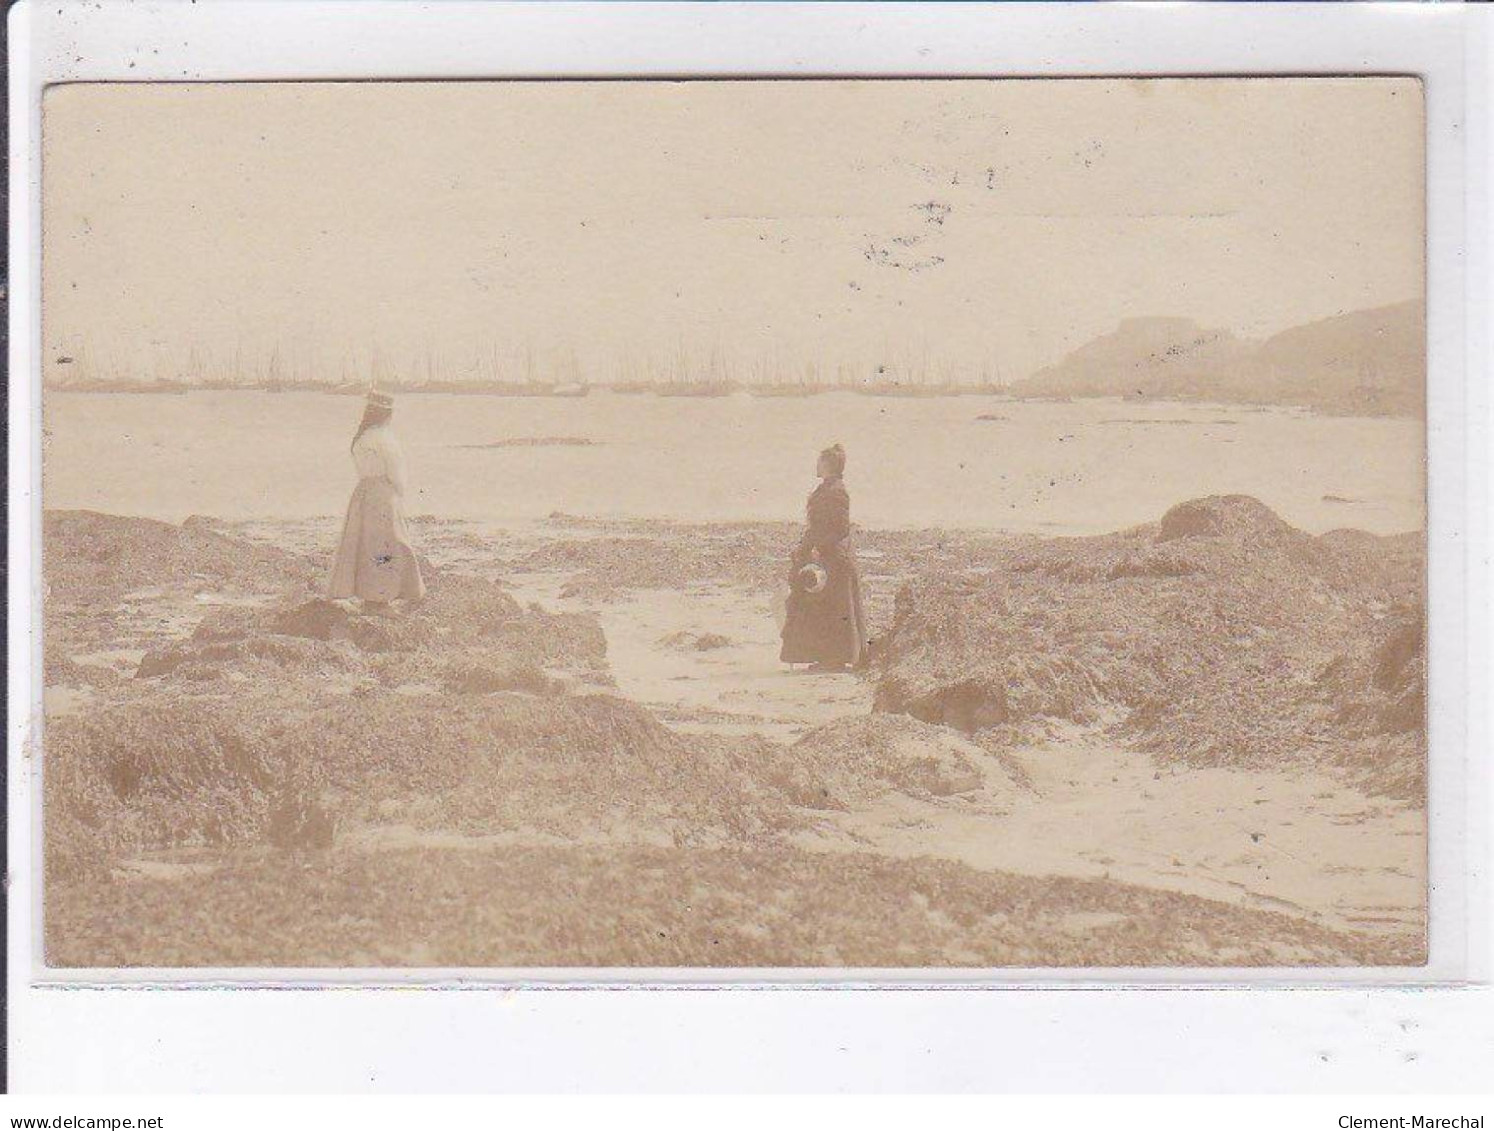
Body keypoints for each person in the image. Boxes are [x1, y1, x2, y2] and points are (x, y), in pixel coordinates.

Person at [328, 389, 425, 612]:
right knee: (388, 544)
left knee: (364, 545)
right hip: (383, 494)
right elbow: (397, 473)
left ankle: (369, 594)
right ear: (386, 414)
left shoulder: (361, 437)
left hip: (363, 493)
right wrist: (399, 493)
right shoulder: (384, 437)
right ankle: (383, 595)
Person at [780, 443, 868, 670]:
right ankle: (824, 656)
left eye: (820, 461)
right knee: (820, 606)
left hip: (833, 558)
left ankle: (834, 659)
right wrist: (805, 547)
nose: (816, 465)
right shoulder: (827, 489)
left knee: (834, 609)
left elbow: (840, 528)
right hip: (822, 554)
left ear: (829, 465)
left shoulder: (837, 491)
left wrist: (818, 547)